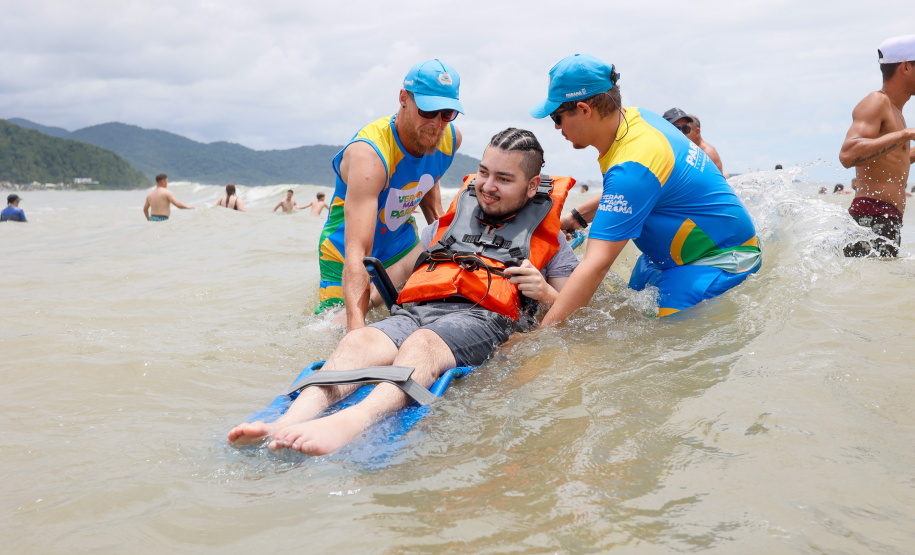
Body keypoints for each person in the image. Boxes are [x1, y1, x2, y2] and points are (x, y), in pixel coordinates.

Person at [228, 128, 578, 455]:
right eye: (484, 172)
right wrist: (351, 310)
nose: (487, 185)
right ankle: (288, 420)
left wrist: (545, 293)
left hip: (480, 318)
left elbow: (576, 312)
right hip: (416, 310)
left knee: (422, 344)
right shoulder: (450, 225)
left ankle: (354, 420)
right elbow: (399, 273)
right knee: (358, 340)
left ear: (532, 186)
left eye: (504, 179)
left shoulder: (551, 242)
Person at [530, 54, 761, 323]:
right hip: (674, 256)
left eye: (556, 117)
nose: (557, 128)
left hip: (718, 262)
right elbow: (641, 188)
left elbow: (597, 265)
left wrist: (537, 343)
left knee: (659, 344)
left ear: (584, 109)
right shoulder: (637, 121)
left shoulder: (633, 164)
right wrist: (576, 218)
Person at [316, 59, 464, 330]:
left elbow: (431, 201)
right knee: (333, 329)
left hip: (401, 246)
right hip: (345, 254)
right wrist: (355, 334)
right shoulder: (370, 156)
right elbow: (357, 251)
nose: (437, 124)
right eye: (429, 111)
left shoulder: (450, 139)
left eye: (447, 114)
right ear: (403, 99)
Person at [839, 35, 915, 258]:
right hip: (870, 217)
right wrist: (906, 134)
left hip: (886, 219)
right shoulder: (876, 101)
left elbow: (889, 160)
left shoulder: (896, 112)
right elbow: (848, 154)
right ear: (905, 67)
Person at [662, 108, 729, 178]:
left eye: (686, 129)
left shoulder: (704, 153)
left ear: (697, 132)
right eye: (676, 128)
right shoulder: (685, 150)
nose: (682, 133)